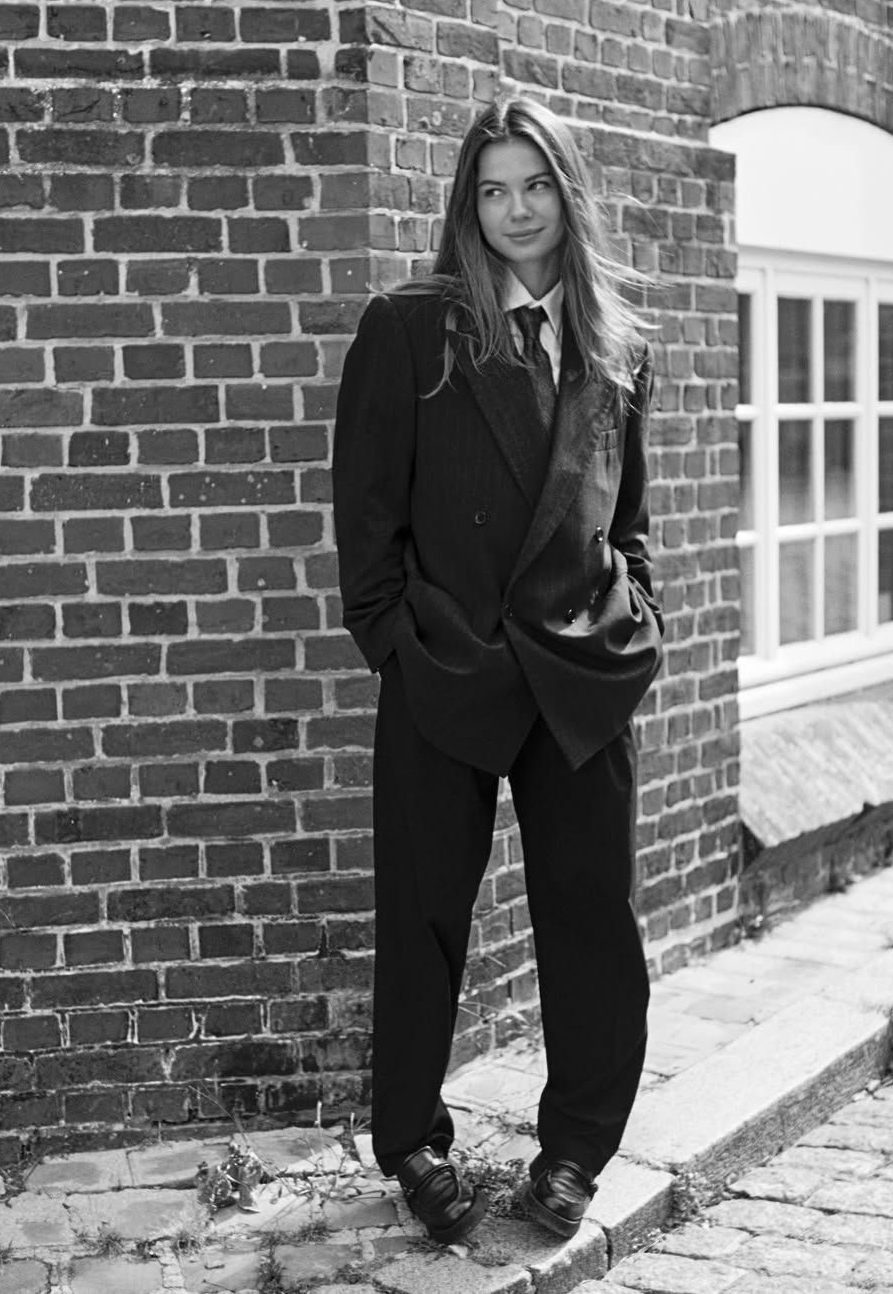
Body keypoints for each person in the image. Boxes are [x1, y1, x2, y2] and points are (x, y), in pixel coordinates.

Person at [331, 95, 664, 1245]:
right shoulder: (411, 330)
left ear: (568, 194)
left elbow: (629, 521)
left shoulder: (617, 345)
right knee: (422, 915)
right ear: (467, 204)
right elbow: (366, 523)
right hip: (446, 667)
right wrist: (395, 642)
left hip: (580, 675)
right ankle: (414, 1143)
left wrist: (636, 621)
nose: (517, 210)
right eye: (493, 189)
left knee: (593, 921)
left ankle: (574, 1152)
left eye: (536, 185)